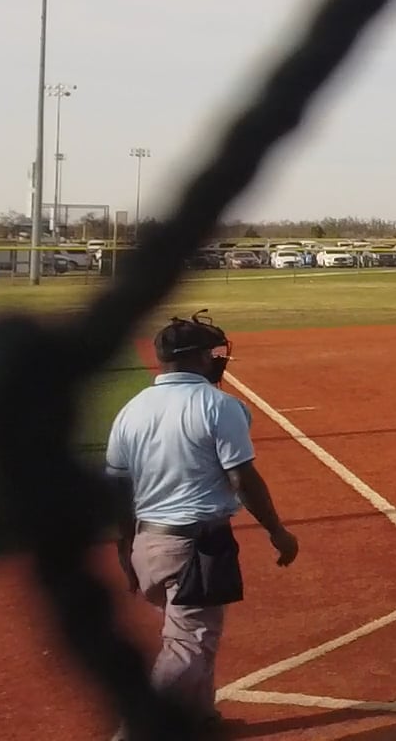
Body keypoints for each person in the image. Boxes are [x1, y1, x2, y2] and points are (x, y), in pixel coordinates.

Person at [103, 313, 299, 732]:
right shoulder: (218, 406)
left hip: (147, 545)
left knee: (191, 634)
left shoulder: (131, 411)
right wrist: (277, 531)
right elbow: (242, 478)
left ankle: (200, 721)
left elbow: (119, 489)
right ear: (198, 357)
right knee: (189, 644)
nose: (217, 359)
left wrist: (125, 548)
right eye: (212, 352)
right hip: (194, 548)